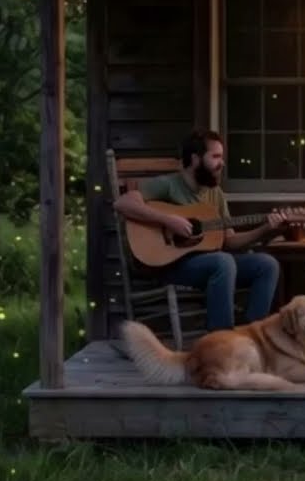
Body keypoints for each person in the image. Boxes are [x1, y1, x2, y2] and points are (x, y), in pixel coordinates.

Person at [113, 129, 284, 334]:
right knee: (223, 261)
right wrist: (169, 220)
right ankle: (222, 340)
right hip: (171, 264)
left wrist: (265, 229)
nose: (222, 163)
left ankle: (254, 336)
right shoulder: (168, 185)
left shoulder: (216, 194)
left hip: (210, 264)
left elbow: (229, 241)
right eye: (216, 156)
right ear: (195, 159)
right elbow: (123, 203)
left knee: (266, 264)